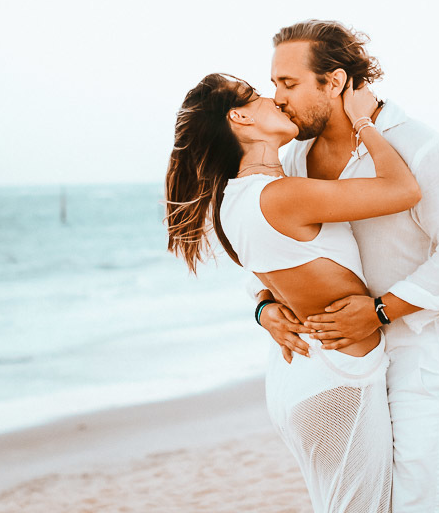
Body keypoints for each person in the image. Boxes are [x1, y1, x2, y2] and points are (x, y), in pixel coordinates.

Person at [255, 20, 439, 513]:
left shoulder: (419, 146)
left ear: (334, 82)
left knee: (421, 501)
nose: (276, 98)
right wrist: (264, 307)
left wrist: (380, 310)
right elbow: (275, 242)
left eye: (289, 84)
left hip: (432, 354)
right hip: (352, 362)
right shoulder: (296, 159)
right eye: (274, 84)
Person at [165, 71, 421, 513]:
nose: (275, 100)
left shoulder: (230, 202)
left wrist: (264, 306)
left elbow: (275, 272)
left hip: (300, 377)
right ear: (240, 117)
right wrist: (365, 123)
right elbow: (404, 190)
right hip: (339, 380)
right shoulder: (283, 195)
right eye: (258, 95)